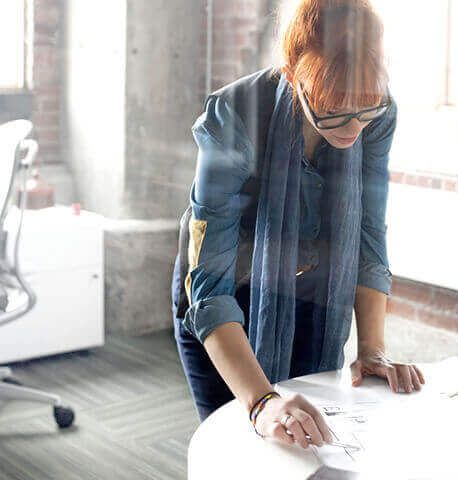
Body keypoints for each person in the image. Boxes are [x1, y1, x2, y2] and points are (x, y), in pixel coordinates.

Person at [171, 0, 424, 447]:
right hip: (224, 298)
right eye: (330, 106)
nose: (351, 127)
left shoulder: (379, 113)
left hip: (313, 293)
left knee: (314, 447)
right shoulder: (235, 115)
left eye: (365, 105)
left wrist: (372, 351)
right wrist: (261, 402)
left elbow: (369, 234)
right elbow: (209, 288)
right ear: (292, 74)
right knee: (244, 446)